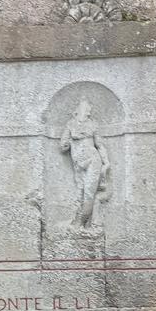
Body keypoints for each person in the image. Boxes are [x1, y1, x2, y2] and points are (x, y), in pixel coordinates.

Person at [59, 96, 111, 229]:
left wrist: (106, 163)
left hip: (93, 160)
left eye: (88, 109)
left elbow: (99, 145)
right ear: (77, 110)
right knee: (80, 193)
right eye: (84, 108)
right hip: (78, 163)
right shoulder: (70, 124)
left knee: (89, 192)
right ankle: (86, 223)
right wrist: (67, 143)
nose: (87, 111)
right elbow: (63, 145)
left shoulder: (93, 125)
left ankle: (79, 224)